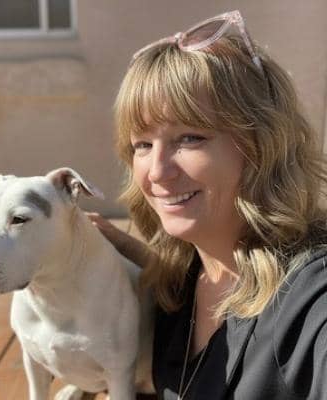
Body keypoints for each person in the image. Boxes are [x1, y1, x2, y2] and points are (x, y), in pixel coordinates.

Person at [89, 10, 327, 399]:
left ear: (260, 145)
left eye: (190, 138)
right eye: (142, 144)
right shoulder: (181, 284)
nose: (157, 172)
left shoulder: (310, 298)